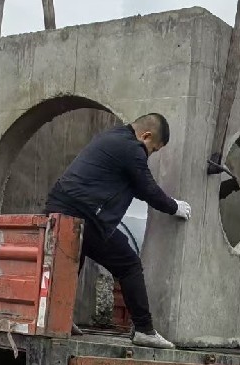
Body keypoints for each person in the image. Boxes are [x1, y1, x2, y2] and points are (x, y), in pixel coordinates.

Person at [45, 113, 191, 349]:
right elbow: (147, 189)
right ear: (146, 136)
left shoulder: (112, 137)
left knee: (72, 262)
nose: (149, 155)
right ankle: (144, 329)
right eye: (152, 150)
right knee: (128, 263)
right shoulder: (132, 148)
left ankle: (59, 319)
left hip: (60, 207)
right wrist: (174, 207)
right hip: (84, 214)